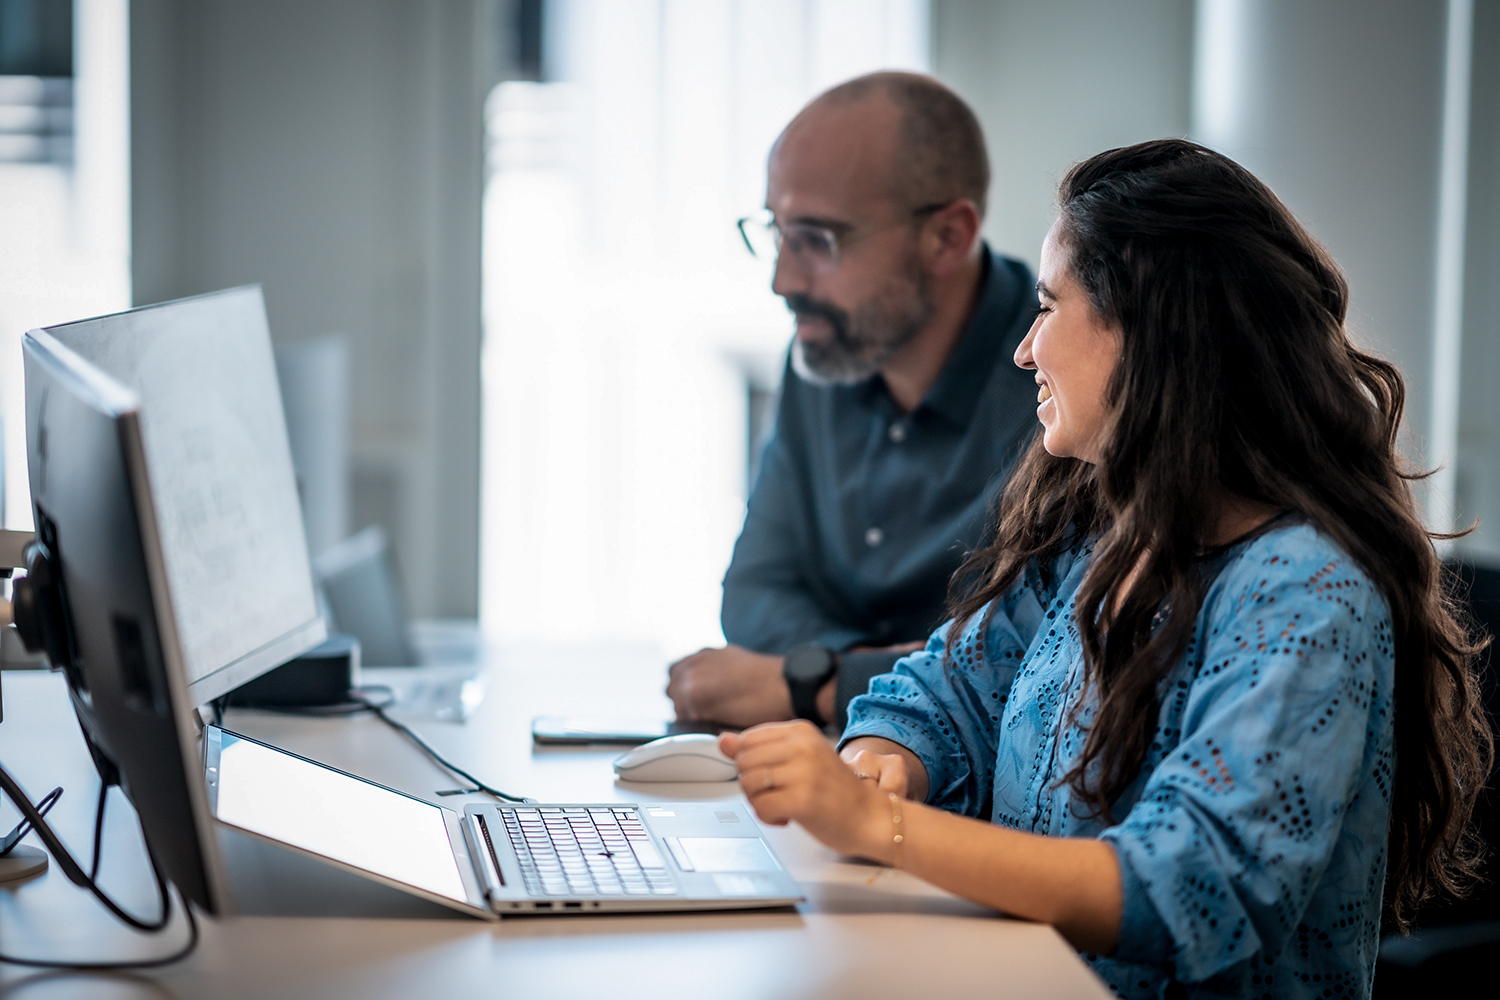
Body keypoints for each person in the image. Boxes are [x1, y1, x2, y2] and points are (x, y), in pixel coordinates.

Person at [718, 139, 1493, 998]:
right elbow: (945, 692)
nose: (1025, 350)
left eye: (1049, 308)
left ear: (1153, 333)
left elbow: (1185, 885)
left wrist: (878, 826)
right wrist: (880, 764)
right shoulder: (1103, 536)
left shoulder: (1307, 592)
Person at [667, 73, 1040, 731]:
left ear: (948, 238)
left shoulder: (1057, 379)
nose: (782, 279)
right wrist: (868, 670)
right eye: (775, 232)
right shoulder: (820, 357)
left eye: (817, 240)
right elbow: (755, 594)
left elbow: (1037, 658)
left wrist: (817, 684)